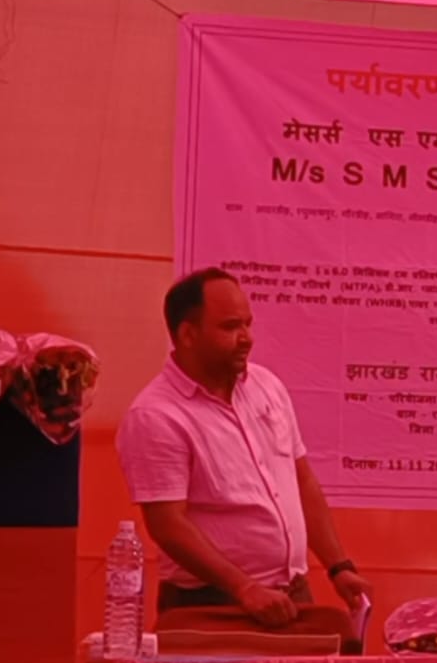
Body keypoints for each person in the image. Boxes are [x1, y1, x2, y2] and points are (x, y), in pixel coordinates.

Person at [117, 268, 371, 634]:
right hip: (211, 604)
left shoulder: (267, 386)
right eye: (230, 326)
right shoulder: (156, 415)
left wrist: (338, 567)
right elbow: (167, 525)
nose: (246, 338)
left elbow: (302, 481)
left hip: (292, 595)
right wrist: (244, 588)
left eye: (248, 324)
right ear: (188, 334)